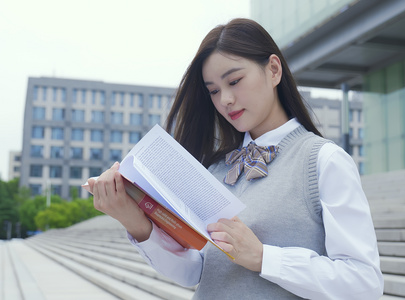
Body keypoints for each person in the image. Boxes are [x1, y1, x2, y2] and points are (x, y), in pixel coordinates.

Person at [87, 18, 383, 299]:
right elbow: (196, 271)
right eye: (213, 91)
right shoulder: (216, 169)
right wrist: (134, 221)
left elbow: (364, 282)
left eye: (235, 81)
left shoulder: (323, 161)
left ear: (274, 70)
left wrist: (263, 257)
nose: (225, 100)